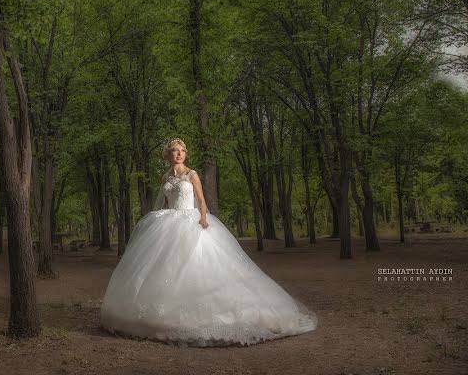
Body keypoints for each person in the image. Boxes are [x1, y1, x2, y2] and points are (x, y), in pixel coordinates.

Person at [99, 137, 318, 347]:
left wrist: (203, 217)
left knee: (200, 263)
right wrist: (156, 220)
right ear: (168, 154)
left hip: (191, 219)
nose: (179, 154)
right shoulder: (165, 178)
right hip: (169, 222)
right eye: (175, 150)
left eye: (182, 151)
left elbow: (201, 200)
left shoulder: (192, 174)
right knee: (166, 267)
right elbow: (161, 202)